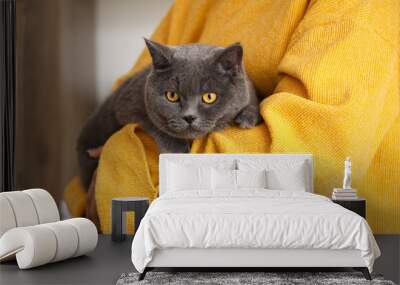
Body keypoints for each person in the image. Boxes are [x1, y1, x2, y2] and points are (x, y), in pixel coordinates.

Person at [64, 0, 399, 235]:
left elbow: (317, 154)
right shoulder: (195, 4)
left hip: (330, 243)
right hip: (157, 239)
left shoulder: (361, 7)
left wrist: (122, 166)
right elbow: (129, 94)